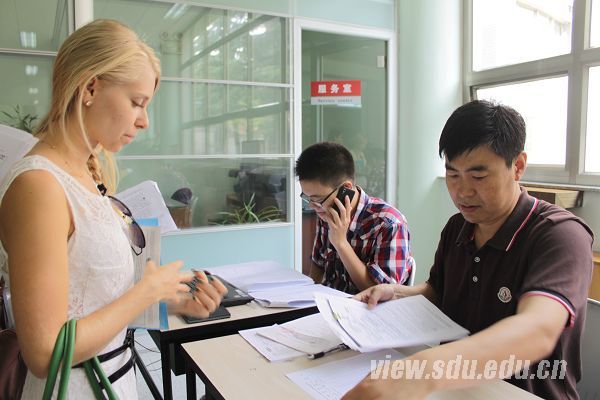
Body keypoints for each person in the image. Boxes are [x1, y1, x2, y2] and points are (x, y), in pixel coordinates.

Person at [0, 19, 227, 399]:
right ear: (90, 88)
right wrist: (146, 292)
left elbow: (92, 303)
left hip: (111, 380)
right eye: (137, 102)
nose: (144, 121)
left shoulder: (85, 177)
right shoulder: (38, 186)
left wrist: (169, 300)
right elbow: (44, 353)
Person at [343, 100, 593, 400]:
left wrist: (421, 372)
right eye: (453, 175)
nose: (462, 191)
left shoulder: (559, 235)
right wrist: (396, 293)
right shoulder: (458, 227)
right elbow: (438, 291)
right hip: (454, 391)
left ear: (517, 166)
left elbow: (537, 329)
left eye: (478, 176)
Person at [295, 141, 414, 294]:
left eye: (317, 199)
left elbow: (381, 293)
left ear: (346, 189)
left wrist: (341, 243)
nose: (312, 206)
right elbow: (317, 267)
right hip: (329, 303)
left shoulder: (388, 223)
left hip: (369, 307)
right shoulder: (326, 212)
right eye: (308, 198)